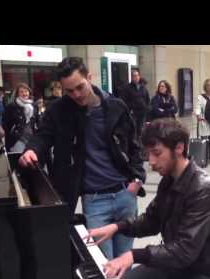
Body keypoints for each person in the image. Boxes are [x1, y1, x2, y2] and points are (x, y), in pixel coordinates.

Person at [85, 118, 210, 279]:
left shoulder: (203, 189)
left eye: (157, 153)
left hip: (203, 276)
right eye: (148, 155)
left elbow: (184, 250)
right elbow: (151, 221)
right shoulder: (170, 179)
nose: (152, 162)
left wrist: (134, 255)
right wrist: (117, 227)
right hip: (174, 265)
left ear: (179, 148)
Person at [19, 57, 146, 261]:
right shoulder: (59, 111)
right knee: (104, 265)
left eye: (80, 87)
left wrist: (137, 179)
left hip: (125, 194)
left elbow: (134, 145)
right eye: (69, 91)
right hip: (95, 201)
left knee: (124, 260)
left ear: (90, 77)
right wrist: (32, 150)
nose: (76, 95)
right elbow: (43, 136)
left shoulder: (116, 106)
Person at [2, 83, 41, 153]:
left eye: (26, 91)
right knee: (18, 160)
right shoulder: (11, 106)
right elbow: (5, 124)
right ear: (17, 94)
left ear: (29, 92)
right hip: (17, 139)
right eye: (21, 92)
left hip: (32, 139)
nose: (24, 93)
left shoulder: (34, 106)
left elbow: (38, 122)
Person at [120, 69, 150, 139]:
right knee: (134, 129)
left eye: (137, 76)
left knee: (141, 129)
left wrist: (147, 107)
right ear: (132, 77)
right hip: (133, 112)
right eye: (134, 76)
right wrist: (130, 108)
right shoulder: (127, 88)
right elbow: (124, 100)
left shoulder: (143, 87)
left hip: (142, 112)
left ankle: (140, 144)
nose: (136, 77)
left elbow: (147, 98)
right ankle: (134, 143)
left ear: (139, 76)